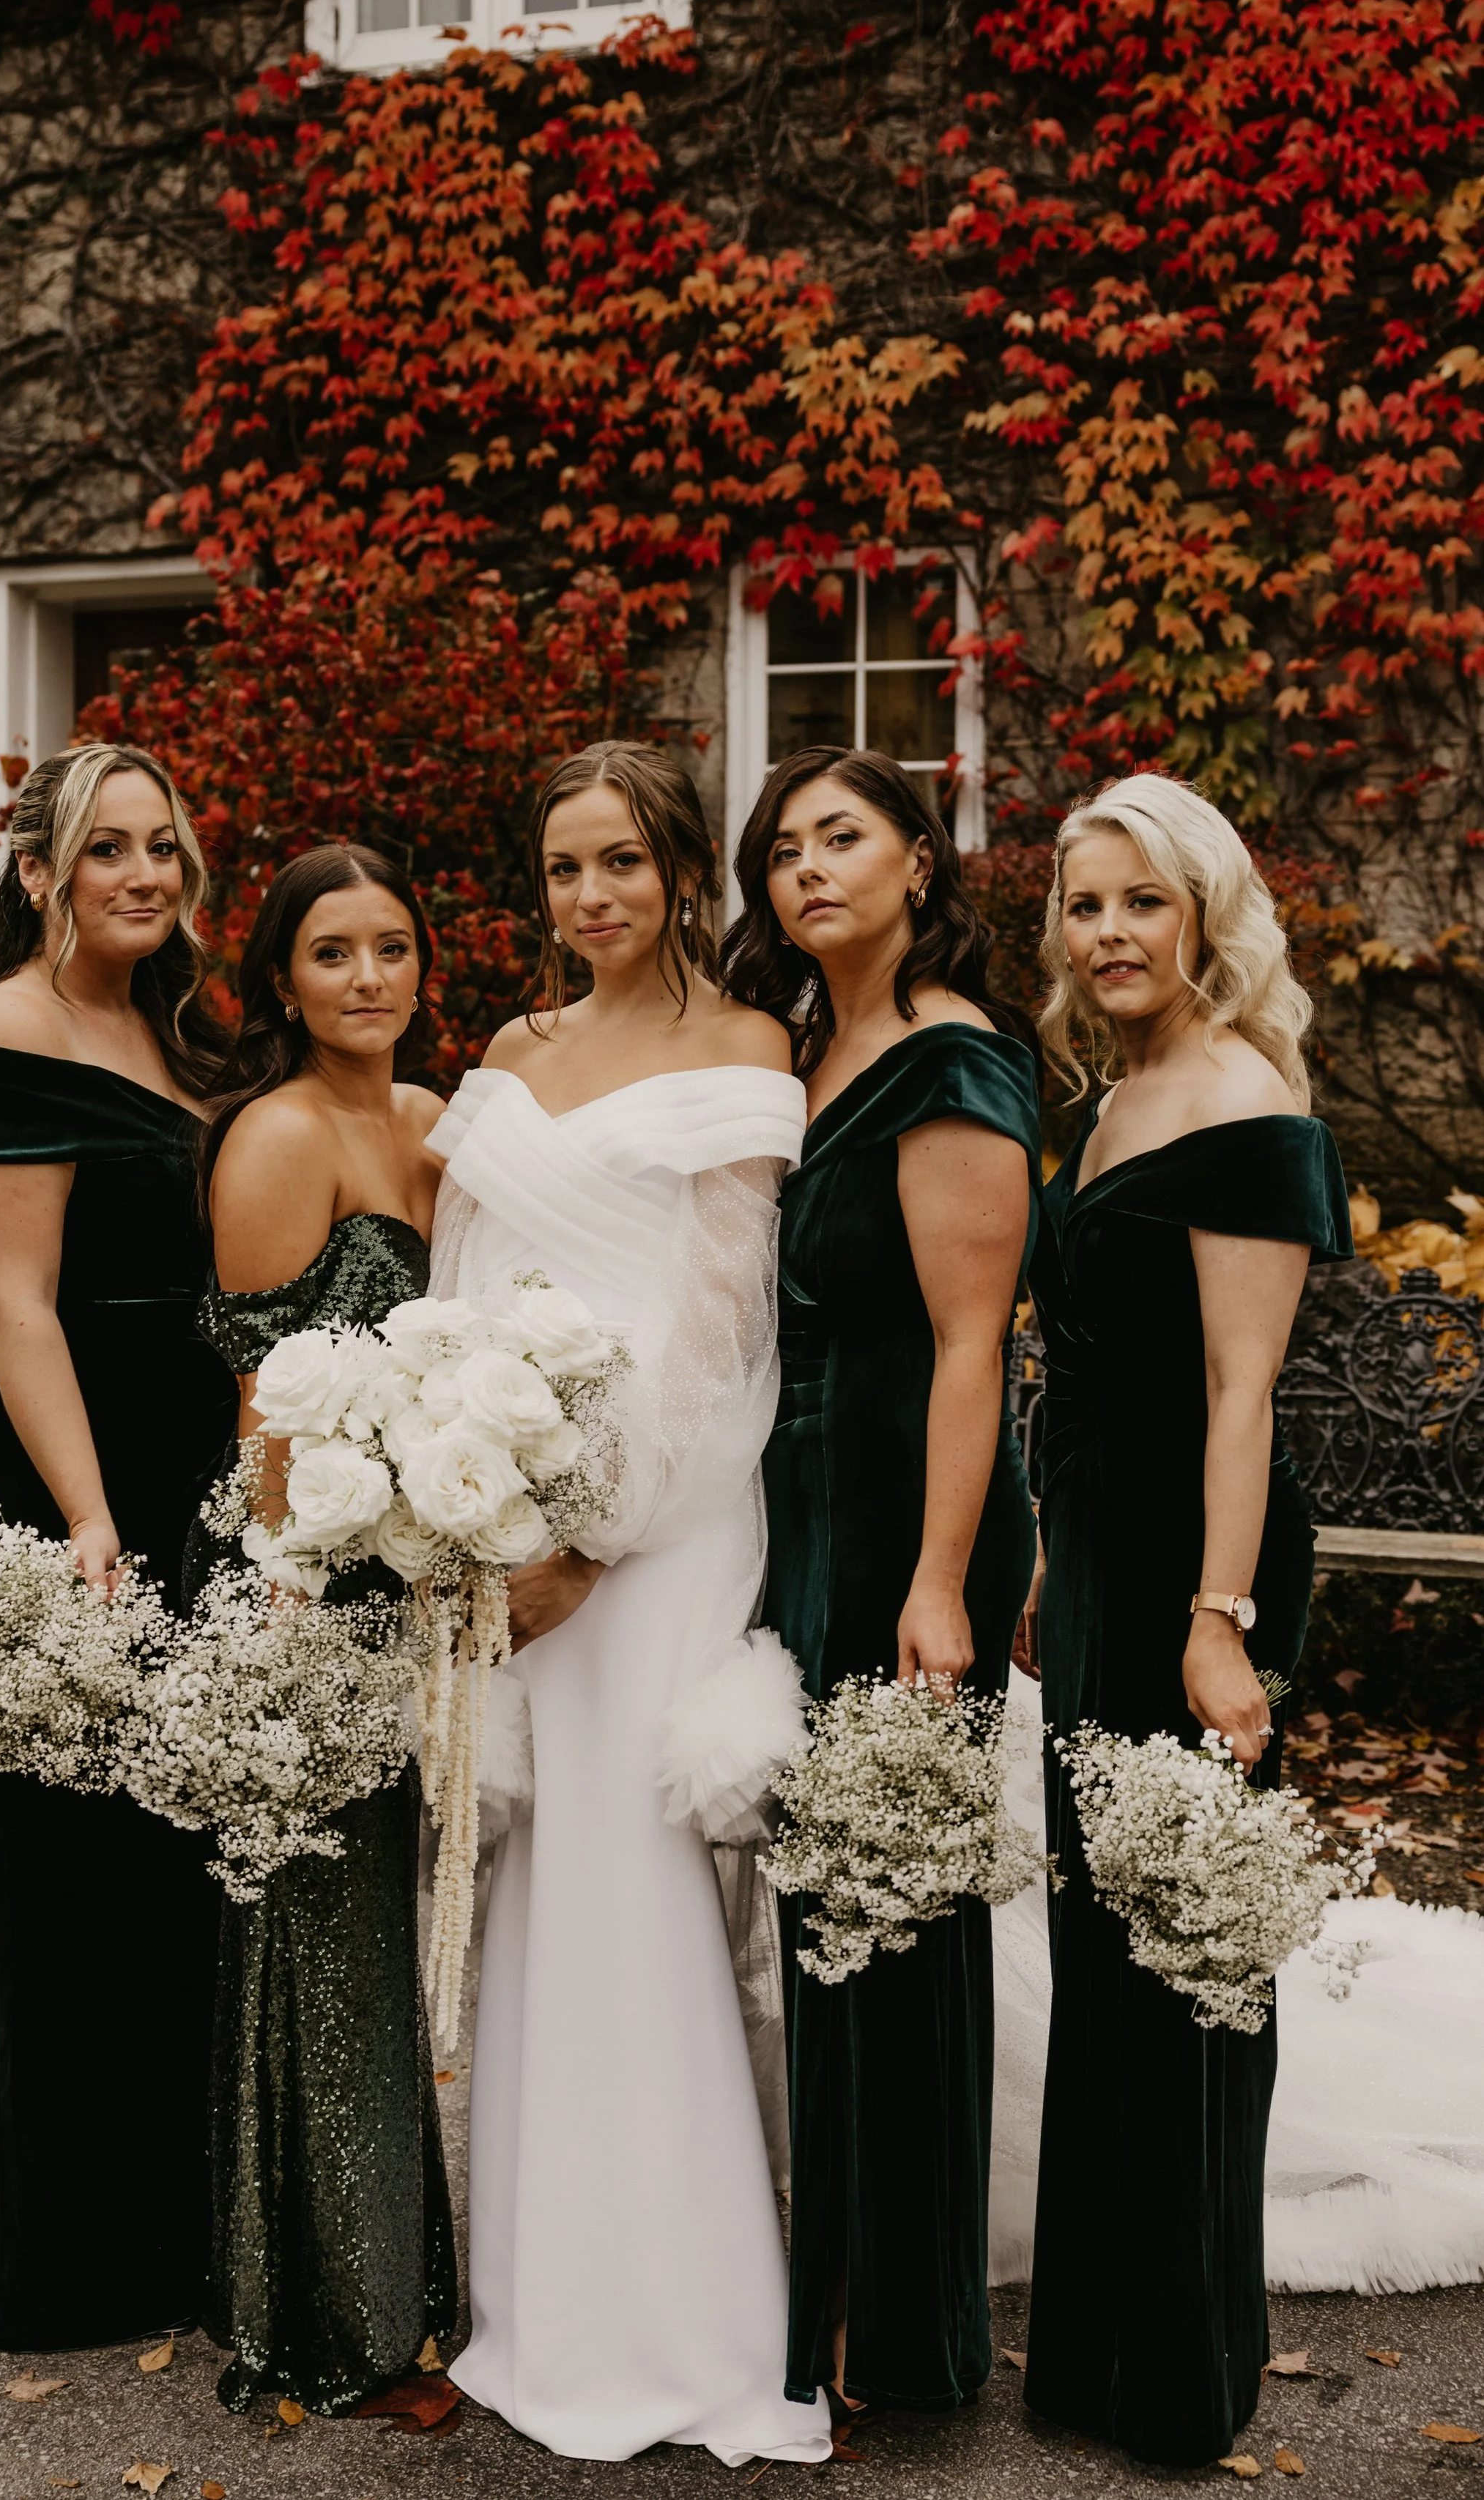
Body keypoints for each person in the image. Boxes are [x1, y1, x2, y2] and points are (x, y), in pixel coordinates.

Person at [431, 740, 831, 2468]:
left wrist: (592, 1534)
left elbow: (722, 1332)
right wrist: (468, 1508)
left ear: (678, 872)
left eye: (617, 864)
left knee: (645, 1901)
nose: (588, 898)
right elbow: (455, 1298)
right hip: (504, 1540)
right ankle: (538, 2307)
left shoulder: (745, 1049)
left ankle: (692, 2325)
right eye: (560, 871)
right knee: (540, 1899)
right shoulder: (512, 1056)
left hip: (660, 1535)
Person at [1015, 771, 1350, 2467]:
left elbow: (1240, 1393)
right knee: (1103, 1947)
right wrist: (1045, 1564)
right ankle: (1089, 2351)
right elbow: (1072, 1371)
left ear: (1204, 910)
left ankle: (1179, 2367)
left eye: (1139, 900)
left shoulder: (1238, 1096)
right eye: (1084, 904)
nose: (1109, 932)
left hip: (1194, 1559)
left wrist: (1211, 1619)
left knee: (1182, 1949)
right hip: (1096, 1554)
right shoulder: (1110, 1094)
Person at [0, 741, 238, 2352]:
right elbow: (9, 1301)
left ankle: (182, 2235)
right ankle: (77, 2267)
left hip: (185, 1463)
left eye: (162, 846)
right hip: (59, 1479)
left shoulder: (179, 1033)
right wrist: (92, 1518)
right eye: (105, 849)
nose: (142, 874)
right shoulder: (10, 1025)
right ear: (36, 873)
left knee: (172, 1870)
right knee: (61, 1872)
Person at [722, 743, 1039, 2416]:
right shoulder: (797, 1044)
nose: (806, 872)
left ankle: (902, 2339)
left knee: (894, 1909)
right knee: (825, 1899)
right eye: (781, 852)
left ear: (921, 861)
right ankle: (828, 2282)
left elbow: (975, 1343)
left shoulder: (949, 1060)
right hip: (800, 1501)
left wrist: (937, 1583)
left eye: (841, 839)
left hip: (908, 1501)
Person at [185, 842, 456, 2416]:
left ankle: (424, 2272)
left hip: (437, 1567)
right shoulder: (277, 1138)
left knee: (415, 1945)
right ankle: (332, 2316)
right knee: (324, 1948)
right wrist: (294, 1619)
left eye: (393, 948)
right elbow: (264, 1408)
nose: (369, 979)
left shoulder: (430, 1119)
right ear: (279, 979)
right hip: (315, 1580)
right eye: (333, 953)